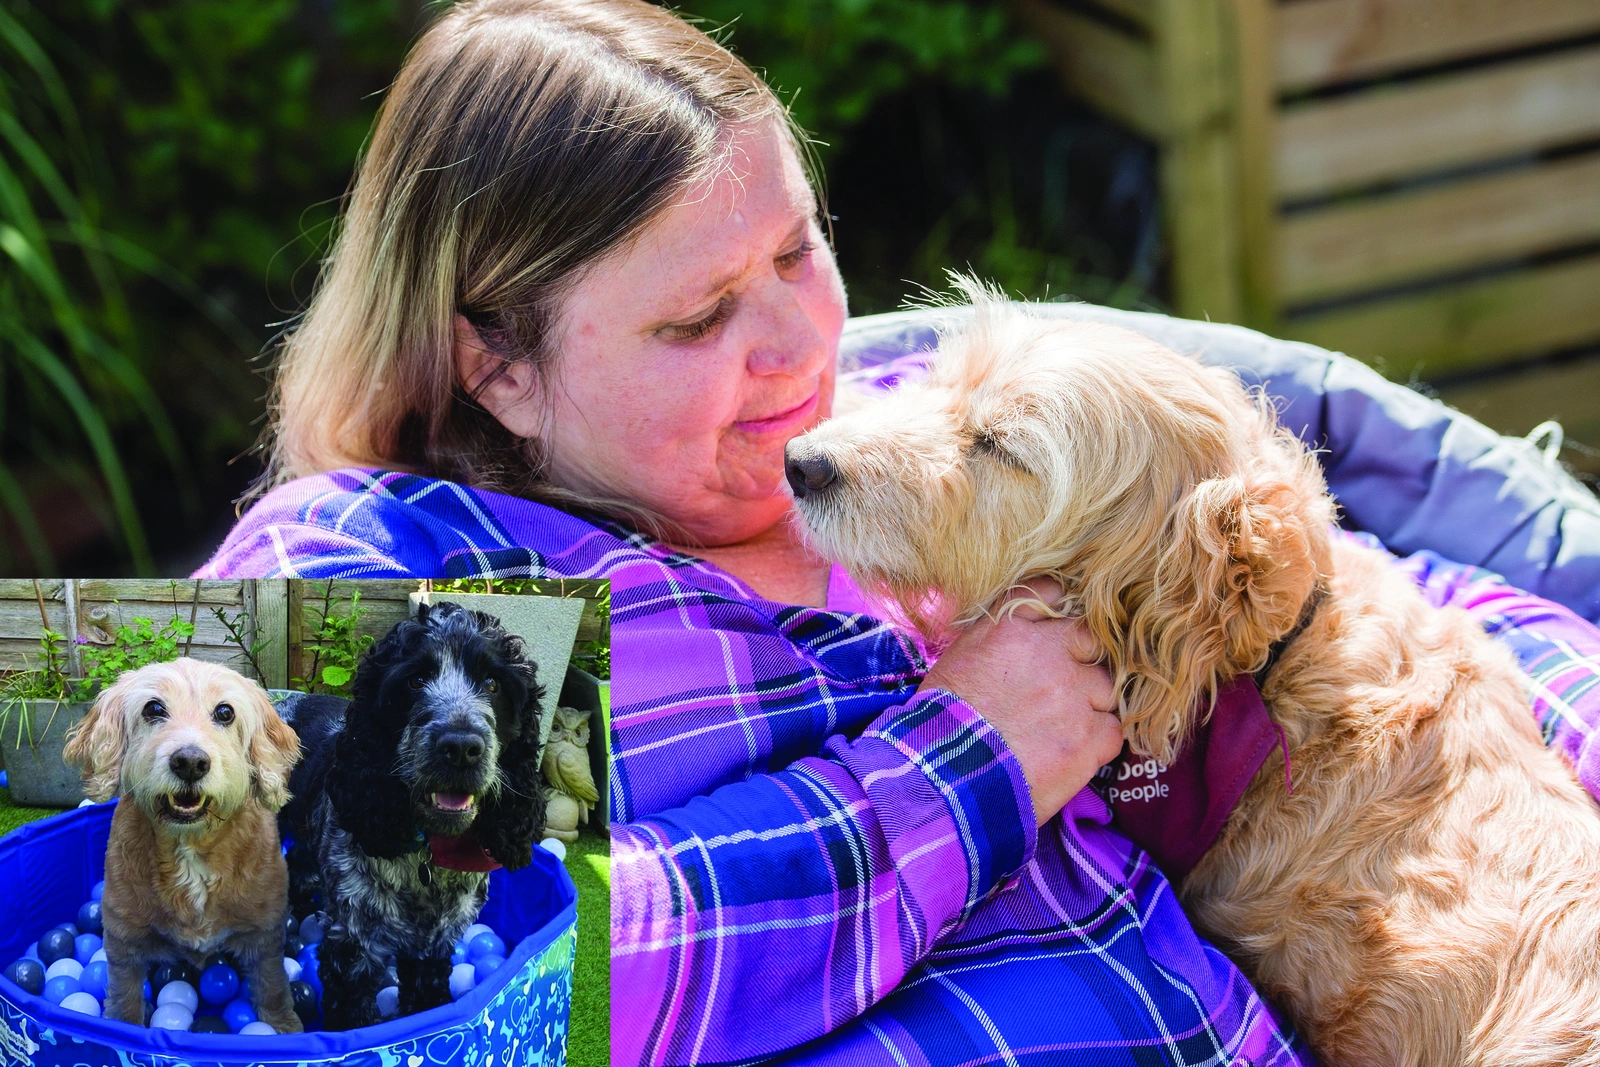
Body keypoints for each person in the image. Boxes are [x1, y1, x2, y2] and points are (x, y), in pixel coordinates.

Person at [201, 1, 1600, 1063]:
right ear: (497, 366)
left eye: (800, 249)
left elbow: (1359, 591)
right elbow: (372, 951)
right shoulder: (392, 555)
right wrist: (961, 762)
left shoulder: (901, 420)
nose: (805, 347)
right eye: (695, 320)